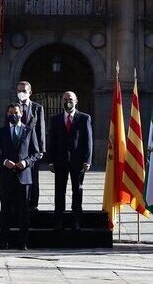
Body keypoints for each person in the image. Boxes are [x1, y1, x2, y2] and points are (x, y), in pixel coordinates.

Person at [0, 103, 40, 250]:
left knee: (23, 211)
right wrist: (5, 161)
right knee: (5, 209)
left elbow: (36, 153)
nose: (14, 114)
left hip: (24, 176)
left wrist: (26, 163)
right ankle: (4, 240)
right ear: (8, 114)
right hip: (6, 176)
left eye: (16, 112)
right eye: (11, 112)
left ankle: (23, 241)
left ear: (21, 114)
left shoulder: (29, 130)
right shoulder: (1, 132)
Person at [47, 91, 93, 231]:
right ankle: (58, 221)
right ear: (62, 101)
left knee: (77, 191)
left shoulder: (84, 118)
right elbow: (51, 141)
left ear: (76, 101)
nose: (68, 101)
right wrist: (50, 160)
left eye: (71, 99)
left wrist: (88, 160)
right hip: (60, 161)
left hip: (78, 162)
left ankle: (76, 221)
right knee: (59, 192)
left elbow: (88, 141)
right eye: (65, 99)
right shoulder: (55, 119)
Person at [16, 81, 46, 212]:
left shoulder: (37, 108)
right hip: (18, 147)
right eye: (19, 91)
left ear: (30, 92)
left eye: (24, 91)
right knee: (17, 175)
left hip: (33, 147)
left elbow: (41, 129)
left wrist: (42, 148)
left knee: (33, 176)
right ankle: (18, 202)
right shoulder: (14, 107)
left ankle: (33, 204)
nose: (21, 93)